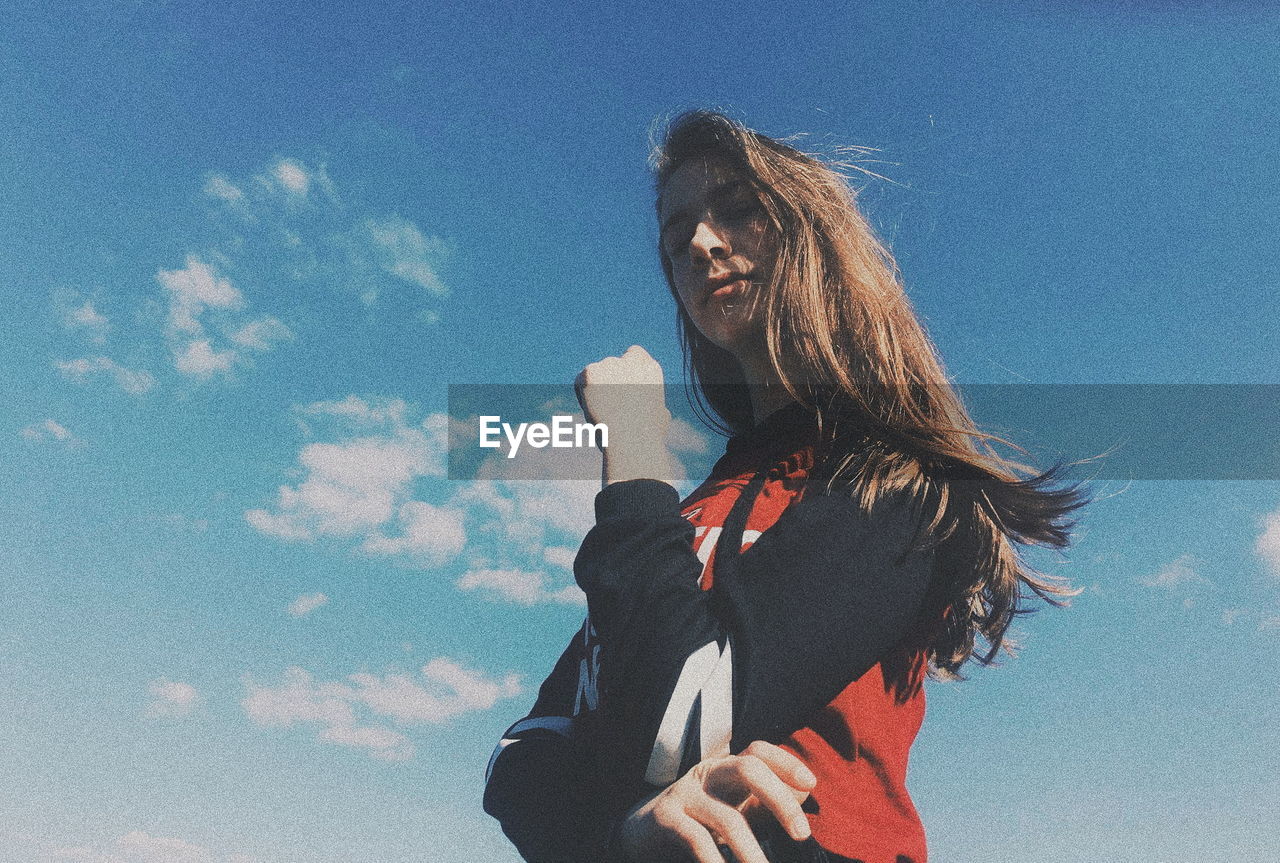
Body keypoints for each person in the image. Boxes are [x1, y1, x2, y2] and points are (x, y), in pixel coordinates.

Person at [483, 110, 1089, 863]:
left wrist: (634, 446)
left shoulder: (898, 482)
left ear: (811, 237)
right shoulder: (694, 509)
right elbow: (521, 755)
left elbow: (679, 719)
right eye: (678, 240)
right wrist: (625, 835)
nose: (702, 244)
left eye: (738, 211)